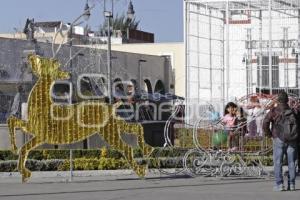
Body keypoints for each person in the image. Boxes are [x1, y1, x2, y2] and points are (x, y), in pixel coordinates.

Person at [263, 91, 298, 191]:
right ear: (287, 100)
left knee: (278, 162)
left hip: (278, 138)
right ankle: (291, 184)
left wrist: (270, 134)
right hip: (292, 139)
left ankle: (279, 184)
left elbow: (265, 123)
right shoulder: (294, 111)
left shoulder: (273, 111)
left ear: (278, 100)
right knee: (292, 162)